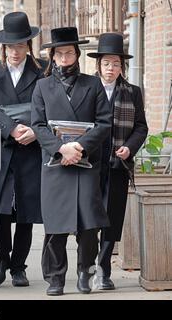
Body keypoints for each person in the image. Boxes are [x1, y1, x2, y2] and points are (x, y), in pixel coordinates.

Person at [31, 27, 112, 296]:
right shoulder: (42, 86)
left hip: (85, 163)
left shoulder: (93, 84)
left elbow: (104, 123)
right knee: (55, 228)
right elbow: (38, 125)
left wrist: (78, 147)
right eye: (59, 53)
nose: (64, 57)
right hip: (56, 166)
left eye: (69, 52)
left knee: (88, 226)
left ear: (77, 54)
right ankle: (56, 279)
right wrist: (60, 149)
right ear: (52, 56)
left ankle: (84, 273)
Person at [0, 11, 44, 288]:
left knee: (27, 212)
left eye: (20, 46)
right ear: (3, 47)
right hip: (1, 149)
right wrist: (10, 127)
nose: (14, 52)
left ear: (28, 45)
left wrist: (32, 129)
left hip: (30, 149)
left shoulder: (42, 70)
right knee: (1, 210)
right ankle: (0, 259)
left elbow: (47, 107)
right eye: (10, 46)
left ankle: (19, 266)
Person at [87, 33, 148, 290]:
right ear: (98, 64)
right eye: (106, 63)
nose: (111, 68)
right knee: (89, 218)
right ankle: (85, 268)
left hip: (117, 165)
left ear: (121, 66)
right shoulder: (86, 89)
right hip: (89, 164)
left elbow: (141, 127)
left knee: (112, 219)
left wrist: (129, 148)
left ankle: (104, 271)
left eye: (116, 63)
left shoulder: (132, 92)